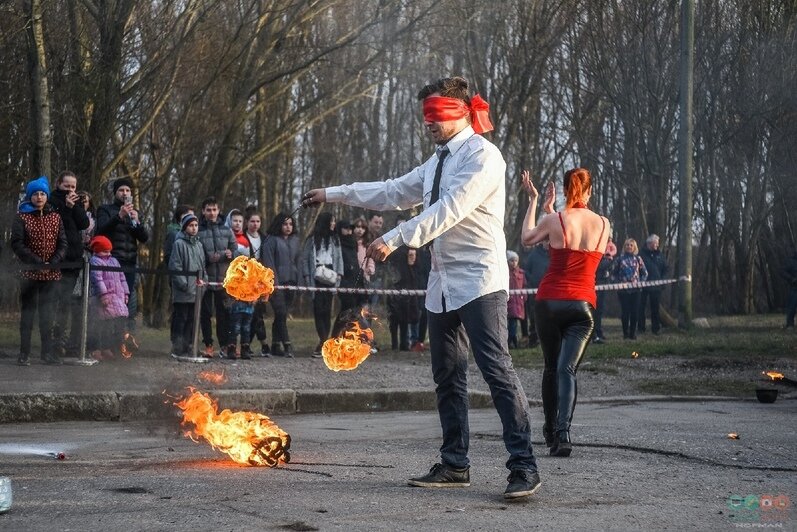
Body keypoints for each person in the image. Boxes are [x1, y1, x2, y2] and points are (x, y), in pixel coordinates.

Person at [302, 76, 540, 499]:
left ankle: (524, 465)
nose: (429, 123)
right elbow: (393, 191)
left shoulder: (485, 157)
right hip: (442, 283)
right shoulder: (436, 161)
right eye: (426, 116)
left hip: (480, 281)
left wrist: (394, 238)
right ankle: (455, 463)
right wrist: (333, 194)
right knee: (447, 375)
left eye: (438, 114)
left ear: (463, 112)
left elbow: (451, 210)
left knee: (496, 370)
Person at [520, 167, 610, 458]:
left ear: (566, 189)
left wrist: (535, 201)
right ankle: (563, 434)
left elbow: (528, 238)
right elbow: (577, 235)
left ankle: (548, 430)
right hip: (583, 304)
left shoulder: (555, 219)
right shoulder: (604, 224)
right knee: (567, 369)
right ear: (590, 191)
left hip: (549, 301)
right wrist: (552, 210)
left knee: (550, 367)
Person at [10, 176, 68, 366]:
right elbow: (17, 244)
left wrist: (52, 262)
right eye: (36, 194)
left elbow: (63, 243)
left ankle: (47, 353)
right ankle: (24, 353)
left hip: (51, 273)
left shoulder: (55, 217)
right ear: (30, 196)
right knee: (28, 315)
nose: (40, 197)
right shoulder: (22, 217)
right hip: (29, 272)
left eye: (43, 193)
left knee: (47, 315)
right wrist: (37, 262)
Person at [95, 177, 149, 333]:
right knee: (109, 303)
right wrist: (119, 216)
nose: (124, 193)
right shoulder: (105, 209)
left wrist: (137, 222)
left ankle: (120, 341)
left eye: (127, 190)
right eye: (121, 190)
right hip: (111, 263)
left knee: (125, 303)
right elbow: (101, 232)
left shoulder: (135, 212)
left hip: (130, 262)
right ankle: (104, 341)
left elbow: (144, 238)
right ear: (115, 193)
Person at [49, 171, 91, 357]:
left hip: (74, 257)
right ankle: (53, 340)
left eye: (73, 186)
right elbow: (56, 224)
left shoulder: (76, 202)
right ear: (58, 184)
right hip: (58, 257)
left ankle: (62, 341)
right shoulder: (51, 201)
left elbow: (83, 224)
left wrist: (75, 207)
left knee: (67, 302)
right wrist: (66, 208)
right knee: (55, 301)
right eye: (67, 186)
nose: (70, 189)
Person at [196, 196, 236, 357]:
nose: (212, 213)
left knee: (224, 314)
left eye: (214, 209)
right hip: (205, 279)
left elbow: (234, 247)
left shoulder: (227, 230)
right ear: (203, 211)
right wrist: (206, 258)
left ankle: (225, 345)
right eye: (208, 210)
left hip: (223, 279)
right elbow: (197, 252)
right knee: (205, 314)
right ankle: (208, 345)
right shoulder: (198, 230)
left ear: (219, 211)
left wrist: (230, 253)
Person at [302, 212, 343, 357]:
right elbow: (305, 260)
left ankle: (324, 343)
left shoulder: (335, 239)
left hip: (330, 276)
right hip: (316, 276)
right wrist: (307, 278)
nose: (333, 224)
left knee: (326, 311)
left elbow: (339, 259)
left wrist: (338, 277)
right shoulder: (311, 240)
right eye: (331, 221)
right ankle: (324, 340)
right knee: (318, 310)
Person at [262, 212, 302, 358]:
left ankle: (275, 345)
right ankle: (287, 345)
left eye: (290, 224)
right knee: (280, 312)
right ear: (279, 224)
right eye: (285, 224)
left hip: (291, 283)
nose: (288, 227)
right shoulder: (271, 240)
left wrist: (299, 283)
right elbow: (269, 263)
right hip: (276, 284)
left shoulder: (295, 241)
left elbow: (299, 262)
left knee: (281, 316)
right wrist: (274, 284)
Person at [168, 213, 207, 358]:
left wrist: (204, 283)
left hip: (197, 291)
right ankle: (178, 346)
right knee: (181, 318)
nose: (194, 228)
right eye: (191, 225)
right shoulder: (178, 244)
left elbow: (203, 266)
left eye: (196, 225)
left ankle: (191, 345)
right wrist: (183, 284)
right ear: (185, 227)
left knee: (193, 319)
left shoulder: (199, 245)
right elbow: (175, 266)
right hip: (183, 291)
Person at [87, 235, 129, 360]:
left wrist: (125, 293)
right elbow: (97, 279)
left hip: (116, 297)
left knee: (110, 325)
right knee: (98, 325)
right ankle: (95, 349)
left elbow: (122, 278)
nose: (108, 253)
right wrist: (103, 294)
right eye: (105, 251)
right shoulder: (95, 261)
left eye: (109, 250)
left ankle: (106, 347)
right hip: (102, 298)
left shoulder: (114, 261)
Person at [243, 211, 271, 357]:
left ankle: (256, 344)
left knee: (258, 314)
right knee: (249, 314)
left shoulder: (265, 239)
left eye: (257, 221)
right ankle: (260, 343)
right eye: (252, 221)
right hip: (246, 280)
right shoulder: (243, 238)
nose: (255, 224)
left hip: (261, 280)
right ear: (247, 222)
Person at [613, 238, 648, 340]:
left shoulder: (638, 259)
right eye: (627, 245)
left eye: (631, 245)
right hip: (623, 291)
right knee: (625, 312)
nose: (629, 247)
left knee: (635, 312)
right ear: (625, 247)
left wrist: (640, 283)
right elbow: (613, 274)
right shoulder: (619, 259)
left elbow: (645, 273)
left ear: (634, 247)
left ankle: (633, 333)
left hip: (636, 291)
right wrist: (617, 283)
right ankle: (625, 333)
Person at [386, 247, 420, 351]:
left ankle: (404, 345)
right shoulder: (400, 269)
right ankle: (394, 344)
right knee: (394, 322)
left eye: (414, 255)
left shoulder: (416, 269)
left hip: (409, 300)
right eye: (410, 255)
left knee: (405, 321)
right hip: (396, 298)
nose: (413, 258)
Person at [521, 241, 549, 347]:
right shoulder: (533, 255)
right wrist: (532, 281)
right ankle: (533, 339)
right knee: (534, 316)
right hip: (534, 291)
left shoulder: (552, 254)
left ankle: (547, 339)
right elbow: (526, 271)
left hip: (549, 290)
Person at [638, 234, 667, 334]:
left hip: (656, 286)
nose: (657, 245)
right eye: (656, 243)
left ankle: (656, 328)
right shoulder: (640, 254)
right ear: (649, 243)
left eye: (658, 243)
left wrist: (663, 281)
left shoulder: (660, 255)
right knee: (641, 308)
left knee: (655, 308)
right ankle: (641, 328)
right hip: (643, 285)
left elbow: (665, 269)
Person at [593, 239, 616, 344]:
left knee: (599, 311)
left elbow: (610, 268)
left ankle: (598, 331)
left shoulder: (605, 255)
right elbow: (599, 267)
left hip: (602, 285)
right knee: (593, 311)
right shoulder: (595, 254)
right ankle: (593, 334)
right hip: (594, 285)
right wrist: (608, 261)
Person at [506, 250, 526, 349]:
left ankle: (512, 341)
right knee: (511, 323)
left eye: (516, 260)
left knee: (514, 323)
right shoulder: (504, 273)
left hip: (518, 303)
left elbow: (525, 287)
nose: (514, 263)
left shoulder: (521, 273)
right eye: (511, 260)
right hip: (509, 302)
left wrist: (524, 298)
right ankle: (511, 341)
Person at [782, 249, 797, 329]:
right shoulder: (791, 261)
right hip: (795, 287)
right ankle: (790, 324)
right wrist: (791, 279)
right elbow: (782, 271)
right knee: (792, 307)